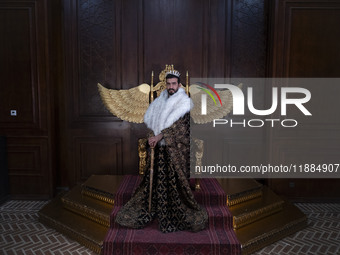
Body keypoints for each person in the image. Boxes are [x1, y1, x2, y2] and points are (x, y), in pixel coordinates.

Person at [115, 71, 208, 233]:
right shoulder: (159, 102)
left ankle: (173, 206)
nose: (171, 87)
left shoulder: (184, 104)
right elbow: (153, 122)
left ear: (179, 85)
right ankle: (155, 203)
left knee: (173, 179)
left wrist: (160, 136)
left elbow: (180, 128)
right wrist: (152, 137)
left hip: (175, 150)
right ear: (166, 85)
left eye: (174, 84)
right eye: (168, 84)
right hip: (159, 149)